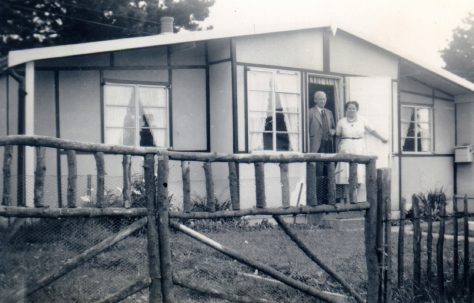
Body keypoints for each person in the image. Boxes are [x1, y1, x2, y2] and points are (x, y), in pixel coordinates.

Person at [335, 101, 388, 202]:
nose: (351, 110)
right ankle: (346, 200)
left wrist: (382, 138)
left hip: (359, 147)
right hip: (345, 147)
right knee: (345, 175)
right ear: (346, 110)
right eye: (349, 108)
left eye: (353, 108)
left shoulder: (362, 120)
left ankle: (355, 200)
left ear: (357, 110)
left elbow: (372, 131)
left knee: (358, 174)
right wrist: (337, 150)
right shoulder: (341, 121)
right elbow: (337, 136)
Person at [308, 91, 336, 204]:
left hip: (328, 145)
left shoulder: (329, 113)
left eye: (324, 99)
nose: (323, 101)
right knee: (318, 173)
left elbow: (334, 128)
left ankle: (329, 199)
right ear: (315, 100)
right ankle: (318, 200)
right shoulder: (310, 112)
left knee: (329, 172)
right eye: (320, 99)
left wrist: (333, 131)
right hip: (317, 146)